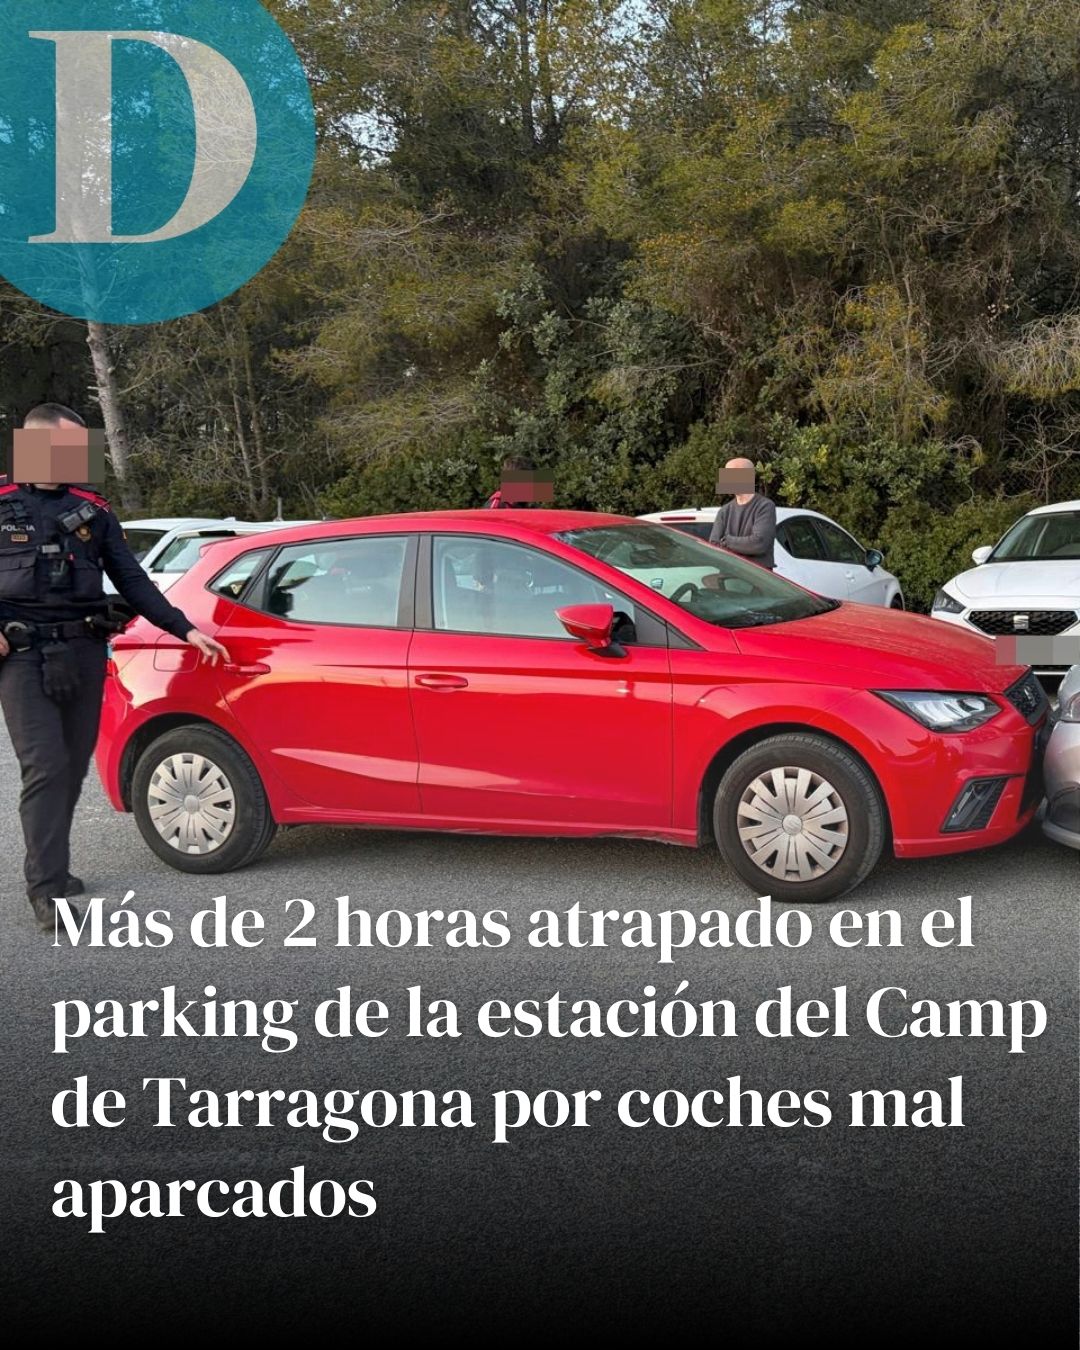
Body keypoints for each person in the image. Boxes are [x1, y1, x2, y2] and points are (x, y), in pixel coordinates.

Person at [0, 404, 228, 932]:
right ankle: (47, 889)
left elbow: (133, 580)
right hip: (22, 654)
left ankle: (52, 864)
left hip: (82, 648)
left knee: (74, 764)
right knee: (46, 766)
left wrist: (185, 628)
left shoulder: (93, 510)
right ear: (34, 445)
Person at [708, 456, 777, 569]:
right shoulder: (724, 511)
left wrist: (726, 541)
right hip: (728, 578)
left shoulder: (765, 506)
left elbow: (759, 544)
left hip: (758, 580)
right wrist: (742, 545)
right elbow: (714, 545)